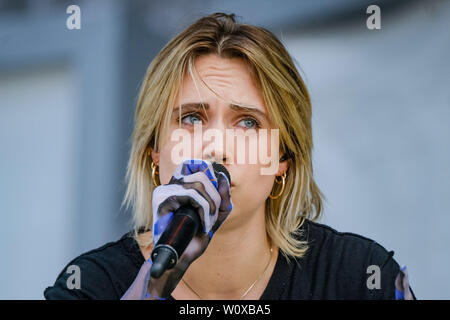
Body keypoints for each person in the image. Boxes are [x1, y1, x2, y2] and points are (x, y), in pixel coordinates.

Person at [44, 12, 415, 300]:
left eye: (248, 122)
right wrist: (155, 284)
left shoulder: (360, 275)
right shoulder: (91, 284)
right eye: (191, 118)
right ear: (153, 152)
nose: (215, 146)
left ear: (283, 157)